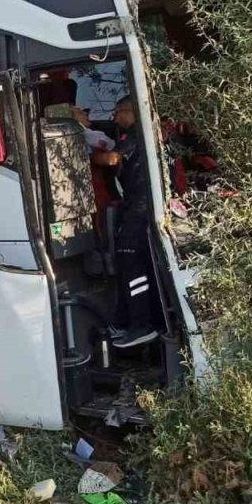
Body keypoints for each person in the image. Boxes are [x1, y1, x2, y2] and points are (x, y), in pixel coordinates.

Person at [102, 96, 161, 348]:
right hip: (142, 206)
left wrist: (90, 156)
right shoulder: (151, 130)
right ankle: (127, 321)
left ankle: (141, 325)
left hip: (139, 208)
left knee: (131, 262)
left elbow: (113, 159)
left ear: (132, 111)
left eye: (119, 112)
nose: (115, 118)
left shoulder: (137, 133)